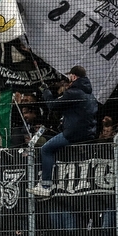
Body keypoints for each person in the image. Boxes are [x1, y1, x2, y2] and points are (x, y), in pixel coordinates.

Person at [28, 66, 97, 196]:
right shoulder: (90, 94)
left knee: (46, 149)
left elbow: (52, 106)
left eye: (69, 76)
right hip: (88, 132)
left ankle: (45, 186)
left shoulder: (73, 92)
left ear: (74, 76)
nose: (68, 79)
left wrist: (45, 91)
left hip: (74, 133)